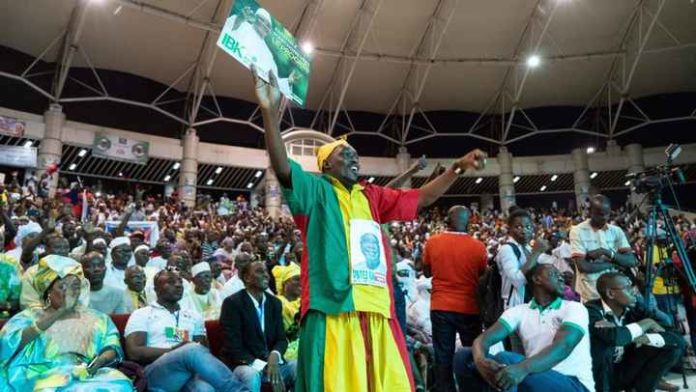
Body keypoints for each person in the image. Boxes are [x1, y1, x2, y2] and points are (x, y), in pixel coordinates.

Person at [253, 69, 486, 391]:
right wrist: (268, 112)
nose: (353, 157)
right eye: (344, 153)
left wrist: (457, 168)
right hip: (332, 307)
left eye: (354, 154)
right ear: (326, 166)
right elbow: (282, 167)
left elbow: (422, 198)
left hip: (376, 307)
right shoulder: (315, 189)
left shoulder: (372, 195)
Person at [0, 255, 133, 391]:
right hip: (39, 374)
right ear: (48, 291)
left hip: (84, 374)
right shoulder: (28, 316)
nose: (70, 292)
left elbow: (111, 346)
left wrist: (101, 360)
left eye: (75, 286)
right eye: (63, 287)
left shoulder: (98, 318)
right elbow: (6, 345)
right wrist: (60, 311)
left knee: (120, 384)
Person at [453, 264, 595, 392]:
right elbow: (483, 340)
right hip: (534, 377)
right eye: (554, 274)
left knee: (504, 358)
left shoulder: (574, 308)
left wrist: (522, 368)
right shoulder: (519, 311)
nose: (561, 278)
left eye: (561, 275)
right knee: (464, 356)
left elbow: (564, 346)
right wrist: (480, 361)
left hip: (573, 383)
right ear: (536, 279)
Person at [124, 268, 247, 391]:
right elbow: (134, 353)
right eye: (171, 282)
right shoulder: (142, 314)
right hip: (156, 373)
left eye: (180, 282)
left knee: (205, 389)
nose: (178, 285)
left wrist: (186, 353)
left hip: (189, 373)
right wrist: (174, 350)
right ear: (156, 289)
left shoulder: (194, 315)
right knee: (191, 349)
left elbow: (203, 350)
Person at [422, 205, 487, 392]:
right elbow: (481, 273)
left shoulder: (432, 242)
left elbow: (427, 272)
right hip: (469, 307)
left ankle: (444, 389)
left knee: (443, 354)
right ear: (468, 222)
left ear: (447, 220)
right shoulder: (478, 246)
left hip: (441, 305)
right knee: (471, 352)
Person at [585, 272, 685, 392]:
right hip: (598, 378)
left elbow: (677, 338)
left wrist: (640, 336)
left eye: (632, 286)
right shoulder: (591, 310)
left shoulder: (635, 307)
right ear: (611, 293)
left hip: (625, 370)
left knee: (672, 348)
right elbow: (615, 338)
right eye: (627, 288)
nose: (634, 291)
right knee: (604, 348)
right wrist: (647, 323)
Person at [220, 261, 295, 392]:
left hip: (272, 363)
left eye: (266, 271)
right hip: (244, 363)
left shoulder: (274, 303)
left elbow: (281, 339)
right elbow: (234, 347)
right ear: (247, 278)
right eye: (260, 271)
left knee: (298, 366)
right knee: (251, 375)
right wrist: (266, 366)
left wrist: (275, 355)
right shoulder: (233, 304)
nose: (266, 275)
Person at [570, 195, 637, 302]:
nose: (605, 218)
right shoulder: (577, 231)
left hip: (615, 295)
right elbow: (583, 266)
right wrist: (613, 264)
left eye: (607, 214)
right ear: (590, 211)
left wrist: (607, 252)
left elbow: (631, 261)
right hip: (591, 295)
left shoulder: (616, 231)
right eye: (600, 214)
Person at [496, 209, 549, 308]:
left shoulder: (528, 248)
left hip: (533, 301)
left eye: (528, 227)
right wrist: (536, 252)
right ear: (509, 229)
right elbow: (517, 281)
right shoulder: (507, 249)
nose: (524, 230)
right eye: (518, 227)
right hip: (515, 304)